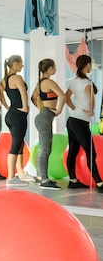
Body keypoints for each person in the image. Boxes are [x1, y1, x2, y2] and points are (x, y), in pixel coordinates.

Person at [65, 54, 103, 192]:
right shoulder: (87, 83)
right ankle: (99, 183)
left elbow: (66, 97)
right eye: (90, 64)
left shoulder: (74, 82)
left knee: (73, 152)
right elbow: (91, 99)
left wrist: (75, 109)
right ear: (87, 65)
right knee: (90, 152)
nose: (91, 66)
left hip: (72, 120)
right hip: (80, 121)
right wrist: (90, 111)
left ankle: (73, 181)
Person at [30, 58, 66, 190]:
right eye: (54, 67)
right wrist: (58, 110)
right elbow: (63, 96)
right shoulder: (49, 82)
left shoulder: (40, 83)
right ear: (50, 68)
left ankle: (41, 177)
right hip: (45, 117)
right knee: (45, 149)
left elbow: (33, 98)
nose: (55, 69)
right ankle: (44, 180)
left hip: (43, 116)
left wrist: (43, 109)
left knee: (43, 149)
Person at [0, 55, 31, 186]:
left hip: (10, 114)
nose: (22, 66)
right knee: (15, 146)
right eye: (21, 63)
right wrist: (24, 107)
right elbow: (23, 93)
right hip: (18, 115)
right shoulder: (17, 78)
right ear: (15, 64)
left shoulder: (5, 79)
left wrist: (7, 106)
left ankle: (20, 172)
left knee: (19, 144)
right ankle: (11, 178)